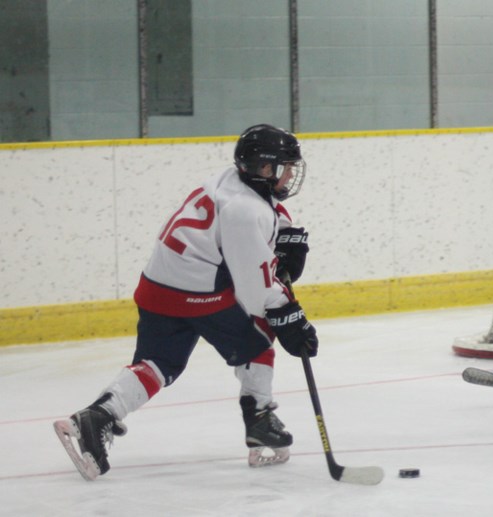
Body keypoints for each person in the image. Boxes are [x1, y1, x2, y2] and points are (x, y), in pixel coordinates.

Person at [53, 124, 318, 481]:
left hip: (156, 287)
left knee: (158, 363)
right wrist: (291, 318)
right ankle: (259, 420)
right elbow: (256, 291)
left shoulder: (230, 179)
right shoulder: (245, 212)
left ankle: (96, 416)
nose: (289, 174)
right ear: (265, 169)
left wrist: (283, 233)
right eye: (284, 166)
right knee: (258, 337)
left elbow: (261, 210)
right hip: (199, 293)